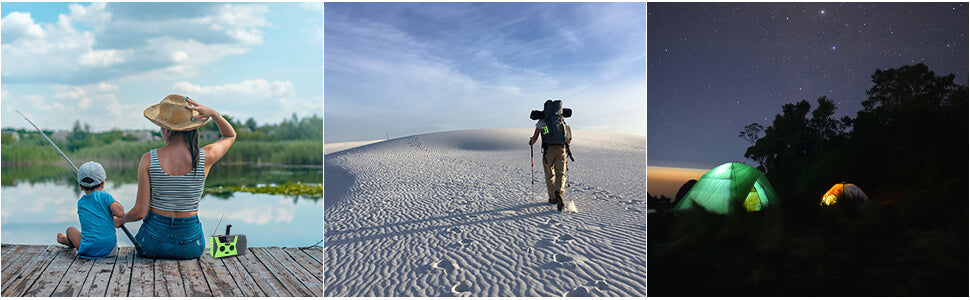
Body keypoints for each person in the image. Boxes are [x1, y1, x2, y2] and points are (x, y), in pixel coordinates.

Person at [114, 94, 236, 259]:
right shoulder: (205, 157)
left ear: (168, 129)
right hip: (192, 246)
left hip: (151, 244)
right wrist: (213, 114)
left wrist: (122, 219)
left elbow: (140, 212)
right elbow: (230, 135)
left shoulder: (149, 159)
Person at [56, 161, 125, 259]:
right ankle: (68, 241)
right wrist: (112, 203)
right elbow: (121, 213)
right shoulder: (105, 197)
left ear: (80, 186)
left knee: (70, 230)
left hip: (88, 251)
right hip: (110, 251)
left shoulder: (81, 203)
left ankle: (68, 241)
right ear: (103, 184)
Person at [528, 100, 572, 211]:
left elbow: (535, 138)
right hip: (561, 149)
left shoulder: (543, 122)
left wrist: (531, 142)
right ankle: (559, 194)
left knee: (549, 174)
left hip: (548, 151)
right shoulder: (560, 120)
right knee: (561, 173)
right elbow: (568, 138)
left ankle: (552, 198)